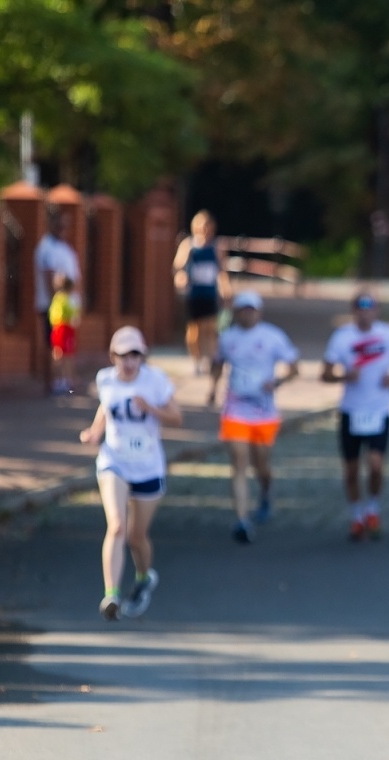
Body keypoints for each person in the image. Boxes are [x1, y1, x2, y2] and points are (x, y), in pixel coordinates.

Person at [79, 326, 183, 621]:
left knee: (137, 537)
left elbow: (177, 417)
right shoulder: (105, 379)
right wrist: (95, 432)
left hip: (148, 466)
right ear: (113, 356)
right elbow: (105, 407)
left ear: (142, 356)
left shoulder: (155, 381)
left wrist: (151, 408)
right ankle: (111, 594)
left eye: (135, 355)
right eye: (123, 355)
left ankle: (143, 577)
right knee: (117, 526)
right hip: (114, 461)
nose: (129, 361)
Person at [322, 293, 389, 541]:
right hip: (351, 411)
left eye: (370, 308)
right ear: (354, 311)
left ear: (377, 310)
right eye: (361, 308)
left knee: (375, 466)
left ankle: (372, 509)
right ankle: (356, 516)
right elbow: (325, 374)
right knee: (351, 470)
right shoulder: (342, 337)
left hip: (379, 411)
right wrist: (344, 376)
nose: (365, 313)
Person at [218, 290, 301, 543]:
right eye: (243, 310)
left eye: (251, 310)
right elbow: (217, 364)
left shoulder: (272, 336)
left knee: (261, 464)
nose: (247, 314)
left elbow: (294, 367)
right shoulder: (227, 337)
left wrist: (277, 382)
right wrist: (211, 389)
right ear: (236, 313)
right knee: (239, 462)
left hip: (264, 412)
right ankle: (242, 520)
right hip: (235, 410)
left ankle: (265, 491)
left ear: (259, 312)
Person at [173, 210, 230, 387]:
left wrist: (226, 290)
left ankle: (209, 359)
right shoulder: (189, 245)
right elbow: (178, 267)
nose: (204, 230)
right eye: (201, 226)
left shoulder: (216, 246)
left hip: (210, 293)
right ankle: (196, 359)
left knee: (210, 328)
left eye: (207, 226)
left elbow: (221, 271)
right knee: (194, 329)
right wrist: (181, 278)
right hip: (194, 293)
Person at [34, 210, 80, 365]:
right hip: (54, 307)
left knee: (66, 347)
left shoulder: (65, 248)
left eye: (65, 225)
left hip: (67, 307)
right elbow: (50, 277)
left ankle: (63, 376)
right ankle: (51, 377)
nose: (63, 228)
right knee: (53, 345)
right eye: (59, 225)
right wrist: (57, 304)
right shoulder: (47, 247)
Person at [48, 273, 81, 395]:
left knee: (60, 355)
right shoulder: (67, 299)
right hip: (64, 329)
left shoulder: (59, 298)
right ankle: (64, 380)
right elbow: (74, 317)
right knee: (65, 356)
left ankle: (63, 381)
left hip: (60, 329)